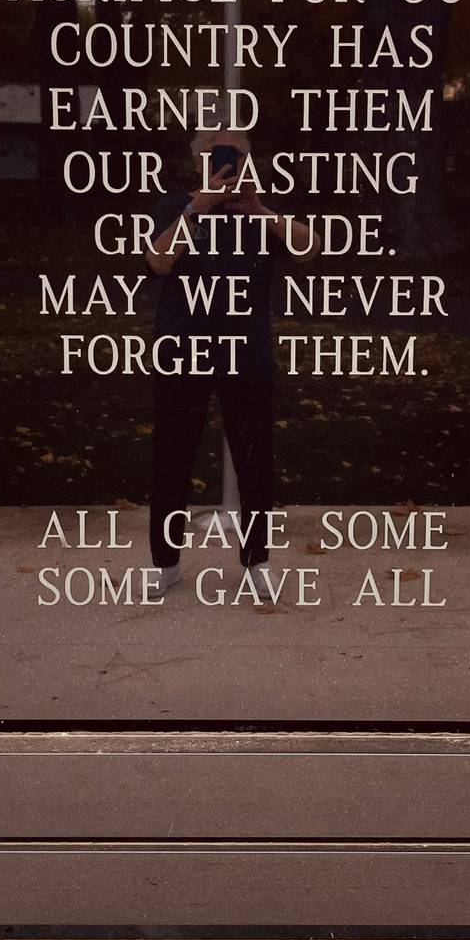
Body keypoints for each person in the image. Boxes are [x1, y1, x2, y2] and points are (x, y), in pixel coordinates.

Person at [144, 128, 316, 593]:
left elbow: (309, 247)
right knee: (173, 454)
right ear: (195, 160)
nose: (225, 164)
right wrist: (194, 210)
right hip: (183, 346)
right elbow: (158, 262)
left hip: (247, 350)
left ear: (249, 160)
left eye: (235, 155)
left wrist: (260, 211)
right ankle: (166, 562)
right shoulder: (177, 206)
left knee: (255, 458)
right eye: (214, 155)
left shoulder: (260, 211)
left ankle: (257, 559)